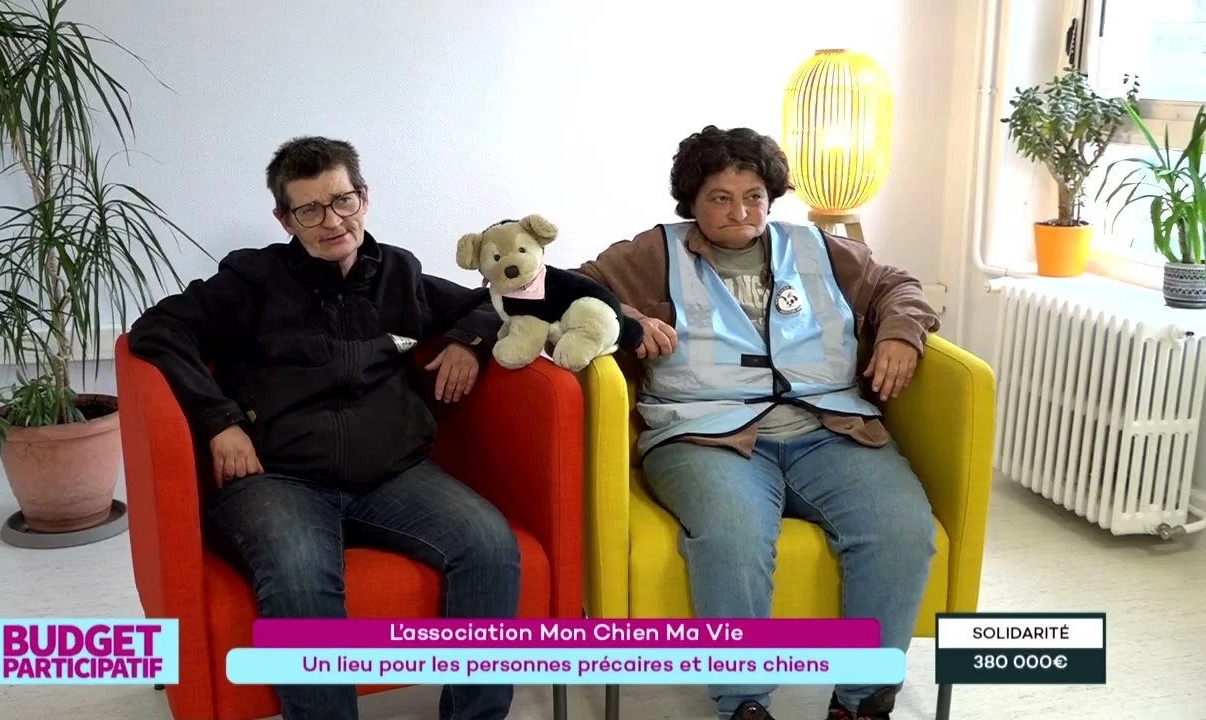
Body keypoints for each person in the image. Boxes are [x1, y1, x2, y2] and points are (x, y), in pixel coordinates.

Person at [126, 136, 521, 720]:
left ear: (364, 197)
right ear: (285, 219)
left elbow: (493, 301)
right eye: (309, 210)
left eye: (342, 201)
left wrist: (469, 339)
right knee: (300, 579)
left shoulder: (398, 272)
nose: (332, 221)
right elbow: (156, 330)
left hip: (392, 473)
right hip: (277, 477)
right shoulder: (250, 279)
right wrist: (218, 421)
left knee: (488, 544)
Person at [574, 125, 941, 720]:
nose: (740, 212)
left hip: (830, 427)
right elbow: (570, 290)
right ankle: (743, 704)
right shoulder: (652, 252)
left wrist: (901, 332)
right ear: (692, 201)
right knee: (733, 536)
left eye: (753, 197)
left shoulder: (819, 248)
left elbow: (898, 285)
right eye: (720, 197)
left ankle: (862, 702)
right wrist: (628, 317)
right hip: (702, 433)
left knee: (901, 528)